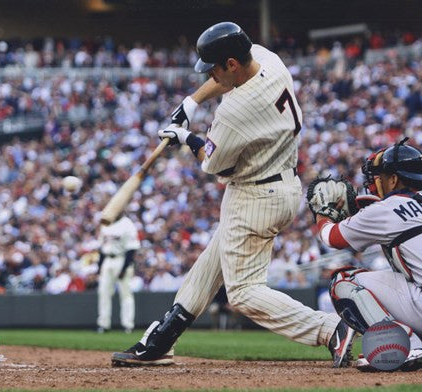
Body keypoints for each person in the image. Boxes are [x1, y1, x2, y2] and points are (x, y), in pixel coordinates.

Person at [111, 21, 354, 368]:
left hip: (256, 196)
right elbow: (222, 82)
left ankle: (330, 329)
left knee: (242, 293)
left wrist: (186, 138)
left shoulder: (235, 112)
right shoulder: (266, 59)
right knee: (211, 264)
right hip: (280, 183)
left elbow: (214, 165)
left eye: (214, 68)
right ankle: (163, 338)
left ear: (232, 64)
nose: (210, 74)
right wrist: (191, 102)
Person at [315, 138, 422, 370]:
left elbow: (331, 237)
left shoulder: (387, 208)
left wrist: (322, 213)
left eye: (379, 177)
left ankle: (408, 344)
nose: (374, 183)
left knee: (343, 280)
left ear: (393, 179)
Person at [97, 214, 141, 334]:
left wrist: (124, 268)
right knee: (103, 293)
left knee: (125, 294)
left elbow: (131, 249)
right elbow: (101, 247)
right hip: (107, 260)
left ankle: (128, 325)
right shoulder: (106, 223)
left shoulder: (127, 224)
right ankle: (103, 324)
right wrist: (99, 266)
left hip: (121, 259)